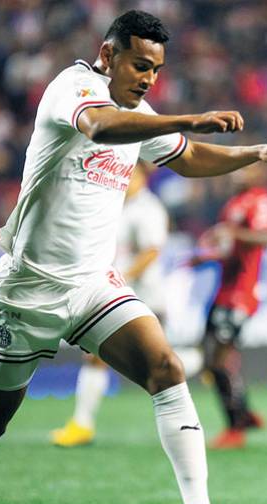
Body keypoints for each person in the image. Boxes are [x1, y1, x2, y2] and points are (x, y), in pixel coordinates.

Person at [0, 10, 267, 504]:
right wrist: (189, 118)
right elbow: (101, 127)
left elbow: (187, 158)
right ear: (108, 55)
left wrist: (255, 153)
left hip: (93, 286)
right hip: (27, 288)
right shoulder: (72, 88)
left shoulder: (140, 114)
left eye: (156, 70)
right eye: (140, 65)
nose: (149, 78)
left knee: (166, 367)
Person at [50, 163, 169, 447]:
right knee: (97, 355)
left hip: (143, 296)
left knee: (157, 365)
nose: (126, 178)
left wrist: (122, 277)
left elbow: (152, 251)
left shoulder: (149, 209)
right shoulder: (114, 205)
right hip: (116, 294)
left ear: (143, 177)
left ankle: (198, 363)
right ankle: (82, 424)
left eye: (133, 174)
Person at [190, 163, 267, 449]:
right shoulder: (233, 204)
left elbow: (265, 237)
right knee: (209, 357)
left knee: (219, 359)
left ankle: (235, 427)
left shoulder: (260, 200)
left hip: (242, 293)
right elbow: (229, 250)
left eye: (245, 169)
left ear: (258, 174)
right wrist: (206, 257)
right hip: (223, 292)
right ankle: (244, 414)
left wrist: (231, 232)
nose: (236, 173)